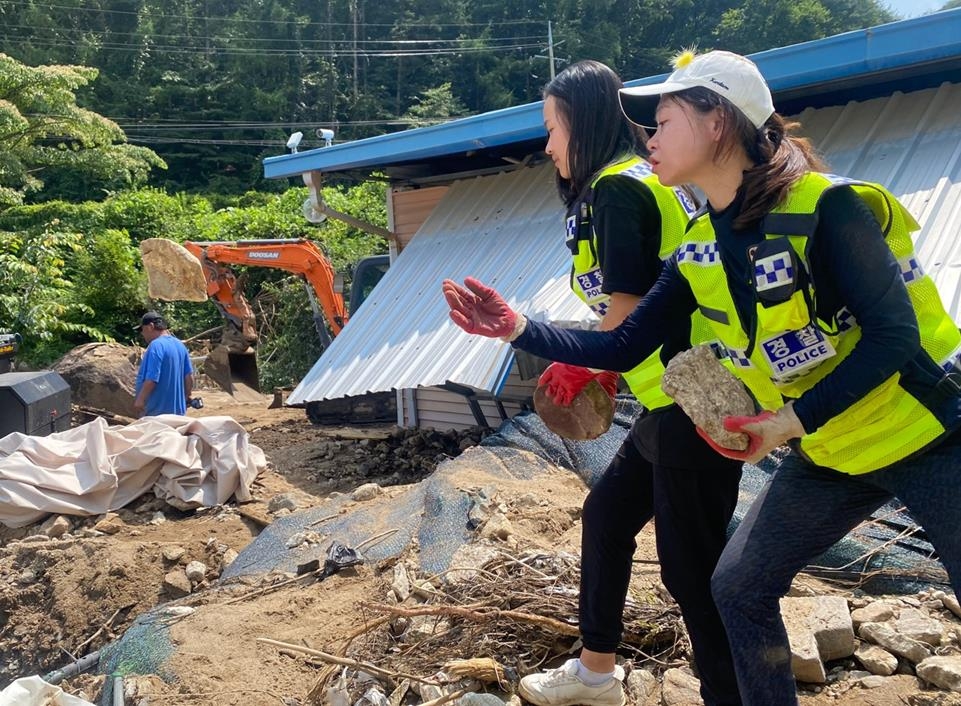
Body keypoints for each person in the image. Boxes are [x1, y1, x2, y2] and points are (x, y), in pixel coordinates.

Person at [442, 49, 961, 706]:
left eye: (661, 120)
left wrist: (788, 423)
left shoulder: (826, 209)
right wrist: (516, 328)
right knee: (737, 588)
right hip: (832, 451)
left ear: (717, 120)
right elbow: (629, 341)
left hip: (927, 437)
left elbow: (894, 337)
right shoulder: (699, 243)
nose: (648, 138)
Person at [515, 60, 743, 706]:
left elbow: (625, 310)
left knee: (691, 573)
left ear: (581, 124)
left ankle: (734, 694)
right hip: (666, 397)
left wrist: (580, 362)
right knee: (607, 516)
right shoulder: (638, 184)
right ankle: (594, 674)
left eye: (551, 128)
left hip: (696, 400)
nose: (547, 145)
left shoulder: (617, 191)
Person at [133, 310, 195, 416]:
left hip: (157, 414)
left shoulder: (156, 346)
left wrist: (140, 399)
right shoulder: (180, 345)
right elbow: (189, 377)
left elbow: (152, 378)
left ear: (150, 326)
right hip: (178, 414)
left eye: (142, 330)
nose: (142, 334)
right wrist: (187, 396)